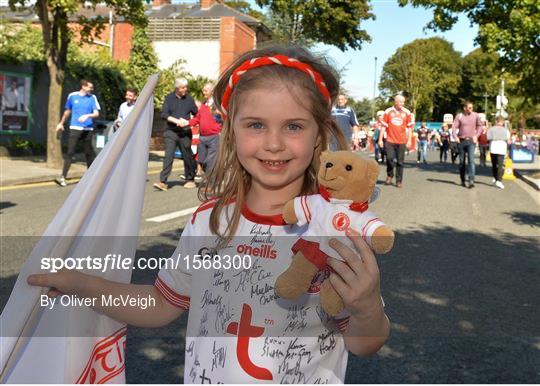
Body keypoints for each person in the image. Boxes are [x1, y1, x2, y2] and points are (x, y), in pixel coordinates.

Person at [27, 45, 390, 384]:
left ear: (318, 135)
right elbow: (160, 304)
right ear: (231, 130)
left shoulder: (335, 229)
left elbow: (363, 343)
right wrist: (83, 285)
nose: (274, 143)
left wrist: (368, 306)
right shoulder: (208, 221)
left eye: (293, 126)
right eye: (256, 124)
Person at [154, 78, 198, 191]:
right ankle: (163, 181)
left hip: (185, 132)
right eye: (183, 87)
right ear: (177, 88)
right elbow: (164, 114)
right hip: (171, 131)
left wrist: (189, 122)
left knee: (187, 155)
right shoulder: (169, 98)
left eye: (186, 87)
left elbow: (197, 114)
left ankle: (190, 179)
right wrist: (176, 121)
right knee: (168, 155)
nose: (185, 89)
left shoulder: (189, 99)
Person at [55, 79, 100, 187]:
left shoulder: (92, 98)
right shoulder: (72, 96)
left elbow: (96, 113)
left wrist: (87, 116)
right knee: (70, 152)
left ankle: (91, 177)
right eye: (90, 87)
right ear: (83, 87)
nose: (92, 89)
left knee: (88, 153)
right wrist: (61, 123)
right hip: (75, 127)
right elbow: (67, 111)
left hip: (88, 129)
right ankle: (63, 177)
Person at [178, 82, 222, 175]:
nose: (203, 92)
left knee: (211, 161)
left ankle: (210, 183)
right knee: (201, 160)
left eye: (206, 90)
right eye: (203, 90)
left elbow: (225, 118)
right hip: (202, 137)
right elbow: (197, 118)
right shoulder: (204, 105)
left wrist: (221, 130)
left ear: (212, 91)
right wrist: (187, 122)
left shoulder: (218, 104)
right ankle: (212, 176)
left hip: (214, 137)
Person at [378, 94, 414, 188]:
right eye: (401, 102)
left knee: (400, 162)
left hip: (402, 141)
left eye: (403, 102)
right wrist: (380, 139)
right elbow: (383, 126)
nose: (402, 104)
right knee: (389, 158)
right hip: (390, 140)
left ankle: (399, 180)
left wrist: (409, 140)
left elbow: (410, 128)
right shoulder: (388, 111)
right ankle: (390, 175)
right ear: (396, 102)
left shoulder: (407, 112)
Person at [452, 101, 484, 188]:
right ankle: (462, 179)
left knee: (471, 160)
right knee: (462, 162)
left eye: (472, 108)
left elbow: (480, 126)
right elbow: (454, 127)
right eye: (469, 108)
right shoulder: (460, 116)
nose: (471, 109)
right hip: (461, 141)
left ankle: (471, 180)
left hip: (471, 141)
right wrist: (455, 137)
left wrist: (476, 136)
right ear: (464, 108)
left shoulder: (475, 115)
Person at [487, 116, 510, 189]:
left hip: (493, 148)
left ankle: (495, 177)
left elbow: (488, 138)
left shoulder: (491, 129)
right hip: (502, 148)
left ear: (496, 121)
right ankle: (499, 180)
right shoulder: (506, 131)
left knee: (494, 164)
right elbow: (508, 140)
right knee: (500, 165)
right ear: (503, 122)